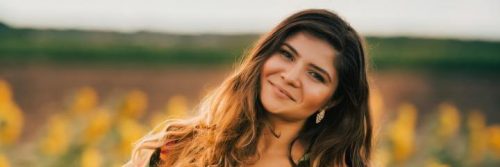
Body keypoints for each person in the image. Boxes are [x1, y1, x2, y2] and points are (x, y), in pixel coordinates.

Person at [125, 9, 372, 167]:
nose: (290, 77)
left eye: (315, 75)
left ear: (333, 99)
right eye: (286, 55)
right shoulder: (176, 148)